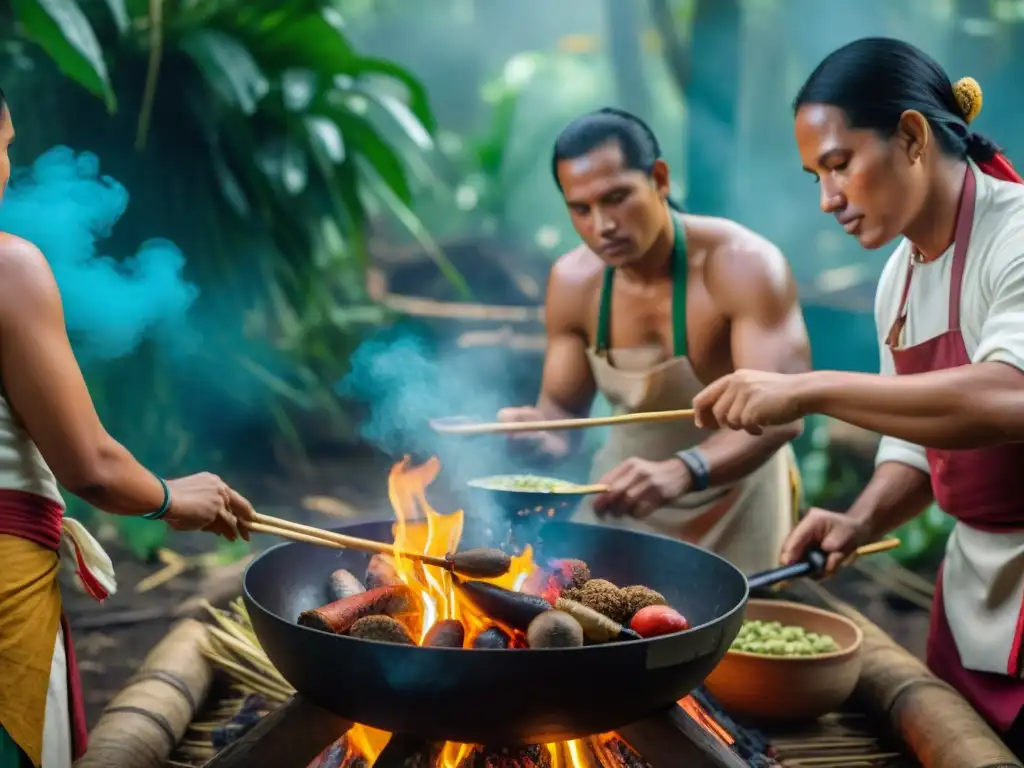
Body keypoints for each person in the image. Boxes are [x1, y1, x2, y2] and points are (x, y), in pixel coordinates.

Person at [692, 37, 1024, 741]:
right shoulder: (898, 278)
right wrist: (860, 519)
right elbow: (915, 436)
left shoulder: (1016, 237)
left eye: (838, 165)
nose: (826, 200)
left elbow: (1005, 400)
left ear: (910, 136)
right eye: (815, 175)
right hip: (969, 597)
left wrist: (806, 390)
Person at [0, 89, 255, 768]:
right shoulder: (9, 266)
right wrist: (172, 497)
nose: (7, 165)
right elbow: (90, 466)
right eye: (3, 147)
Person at [498, 107, 811, 573]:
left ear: (660, 179)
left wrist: (685, 469)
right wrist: (536, 435)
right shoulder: (572, 281)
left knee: (741, 639)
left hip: (738, 498)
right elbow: (561, 417)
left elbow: (782, 417)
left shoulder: (744, 265)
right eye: (580, 209)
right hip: (624, 499)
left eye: (617, 197)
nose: (602, 226)